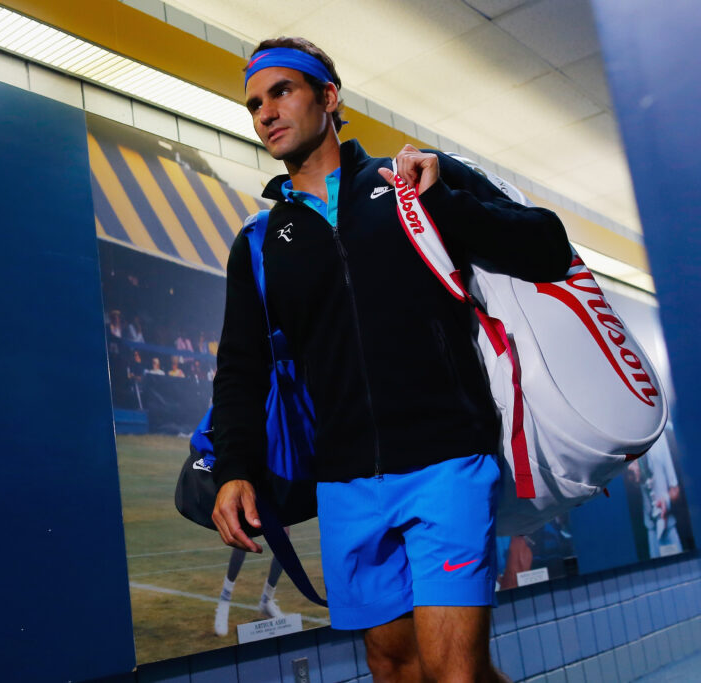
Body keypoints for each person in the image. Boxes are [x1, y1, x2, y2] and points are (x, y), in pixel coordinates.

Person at [210, 37, 571, 681]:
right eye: (254, 104)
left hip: (445, 461)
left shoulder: (407, 181)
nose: (265, 112)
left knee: (453, 671)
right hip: (345, 479)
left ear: (328, 96)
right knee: (395, 666)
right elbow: (242, 365)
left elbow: (547, 245)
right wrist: (233, 468)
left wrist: (442, 200)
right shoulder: (261, 243)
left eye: (282, 91)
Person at [627, 432, 683, 558]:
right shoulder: (628, 441)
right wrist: (631, 475)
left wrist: (666, 502)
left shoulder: (662, 438)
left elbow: (675, 489)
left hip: (668, 526)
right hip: (651, 530)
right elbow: (634, 484)